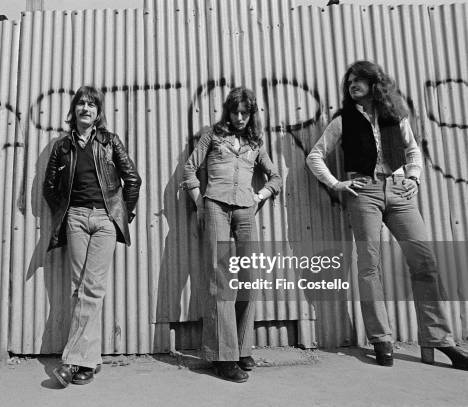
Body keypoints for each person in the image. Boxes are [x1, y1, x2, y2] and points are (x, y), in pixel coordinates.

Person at [306, 60, 468, 369]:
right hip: (363, 193)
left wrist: (415, 177)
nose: (352, 84)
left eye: (359, 80)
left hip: (399, 191)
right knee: (370, 267)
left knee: (425, 262)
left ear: (374, 83)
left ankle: (439, 340)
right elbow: (315, 156)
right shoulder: (342, 120)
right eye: (349, 81)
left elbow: (412, 151)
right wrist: (337, 183)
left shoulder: (395, 116)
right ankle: (381, 339)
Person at [43, 86, 141, 388]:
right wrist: (65, 210)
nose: (85, 108)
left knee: (92, 288)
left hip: (104, 219)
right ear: (74, 111)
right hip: (75, 219)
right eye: (81, 104)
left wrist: (124, 213)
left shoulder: (110, 142)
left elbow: (133, 178)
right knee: (79, 288)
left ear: (98, 112)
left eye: (91, 104)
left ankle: (72, 361)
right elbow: (49, 187)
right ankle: (91, 359)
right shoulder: (62, 146)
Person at [182, 87, 282, 382]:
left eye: (245, 113)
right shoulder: (213, 135)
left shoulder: (256, 142)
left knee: (250, 277)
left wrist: (260, 195)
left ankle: (240, 347)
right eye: (235, 112)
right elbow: (189, 169)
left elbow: (276, 177)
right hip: (216, 208)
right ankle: (222, 356)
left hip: (245, 212)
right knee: (221, 279)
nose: (239, 118)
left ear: (251, 114)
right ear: (228, 111)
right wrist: (200, 200)